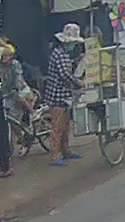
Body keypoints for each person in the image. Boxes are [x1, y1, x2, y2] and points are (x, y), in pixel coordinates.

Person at [45, 23, 86, 167]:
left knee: (65, 126)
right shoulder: (60, 54)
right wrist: (78, 83)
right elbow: (65, 75)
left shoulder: (62, 54)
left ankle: (65, 150)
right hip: (58, 96)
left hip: (63, 95)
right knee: (57, 127)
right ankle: (55, 155)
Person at [1, 42, 37, 178]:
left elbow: (18, 80)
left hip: (21, 90)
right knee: (9, 120)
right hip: (7, 94)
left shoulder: (15, 65)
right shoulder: (1, 67)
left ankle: (33, 113)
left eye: (8, 56)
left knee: (18, 103)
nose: (6, 59)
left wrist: (14, 90)